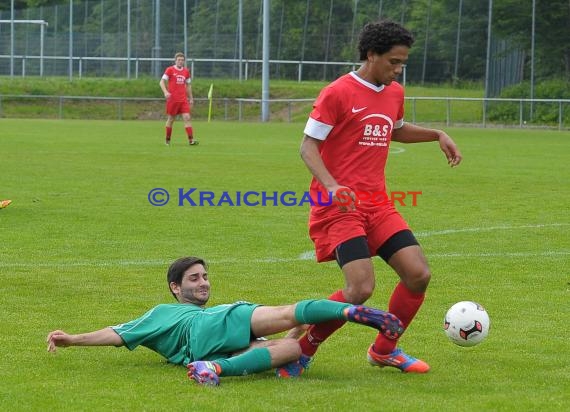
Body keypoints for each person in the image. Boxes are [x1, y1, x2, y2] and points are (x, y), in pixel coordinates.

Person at [276, 20, 462, 377]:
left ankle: (384, 350)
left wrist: (437, 134)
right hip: (339, 207)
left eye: (403, 62)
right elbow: (308, 146)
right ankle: (301, 349)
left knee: (418, 274)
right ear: (371, 55)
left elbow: (396, 129)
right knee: (359, 289)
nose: (398, 69)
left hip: (378, 204)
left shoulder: (394, 92)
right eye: (393, 61)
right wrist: (332, 185)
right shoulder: (338, 92)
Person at [47, 256, 405, 386]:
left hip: (206, 348)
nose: (203, 283)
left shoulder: (200, 314)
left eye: (204, 277)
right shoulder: (165, 312)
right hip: (208, 326)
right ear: (175, 288)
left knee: (291, 347)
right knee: (284, 312)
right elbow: (117, 333)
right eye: (194, 279)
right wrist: (74, 338)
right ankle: (350, 311)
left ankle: (214, 369)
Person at [159, 52, 198, 146]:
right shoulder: (170, 70)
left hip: (183, 100)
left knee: (187, 118)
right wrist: (165, 92)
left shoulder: (186, 71)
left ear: (184, 61)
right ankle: (167, 140)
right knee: (171, 119)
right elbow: (161, 82)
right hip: (173, 100)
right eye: (179, 60)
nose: (180, 61)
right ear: (175, 60)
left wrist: (191, 98)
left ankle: (191, 140)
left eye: (182, 60)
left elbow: (188, 86)